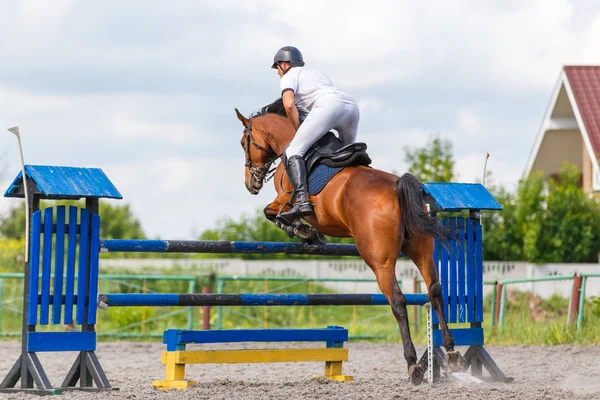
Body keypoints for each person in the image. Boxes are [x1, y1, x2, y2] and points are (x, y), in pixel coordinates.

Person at [272, 46, 360, 221]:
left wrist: (298, 130)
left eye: (277, 68)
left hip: (330, 106)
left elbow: (289, 105)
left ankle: (302, 202)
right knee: (346, 155)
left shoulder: (289, 76)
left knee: (293, 151)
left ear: (284, 64)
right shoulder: (315, 73)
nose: (278, 73)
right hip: (352, 107)